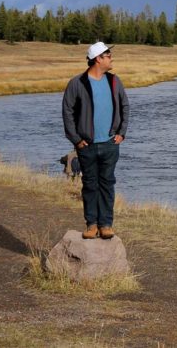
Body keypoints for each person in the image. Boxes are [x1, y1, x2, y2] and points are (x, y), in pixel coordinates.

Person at [61, 42, 129, 240]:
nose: (111, 58)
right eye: (108, 55)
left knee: (107, 183)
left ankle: (106, 224)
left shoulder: (115, 81)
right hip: (87, 146)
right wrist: (76, 139)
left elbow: (125, 106)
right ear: (98, 58)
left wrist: (121, 133)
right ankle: (91, 224)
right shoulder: (77, 83)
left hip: (110, 144)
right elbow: (67, 112)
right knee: (90, 184)